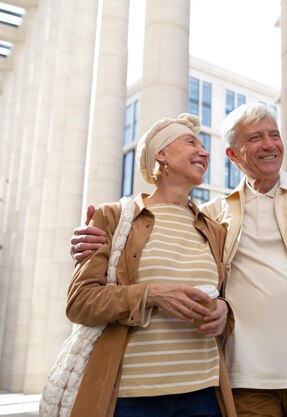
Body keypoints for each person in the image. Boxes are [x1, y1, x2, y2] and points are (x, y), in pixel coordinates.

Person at [72, 100, 287, 417]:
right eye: (256, 137)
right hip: (243, 377)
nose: (269, 144)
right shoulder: (213, 216)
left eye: (274, 135)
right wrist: (92, 240)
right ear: (233, 154)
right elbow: (157, 234)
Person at [66, 114, 236, 417]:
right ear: (162, 154)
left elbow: (223, 296)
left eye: (204, 145)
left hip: (203, 396)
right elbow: (80, 302)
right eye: (191, 142)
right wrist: (152, 294)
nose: (205, 151)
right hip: (131, 398)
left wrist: (224, 312)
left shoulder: (215, 229)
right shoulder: (114, 217)